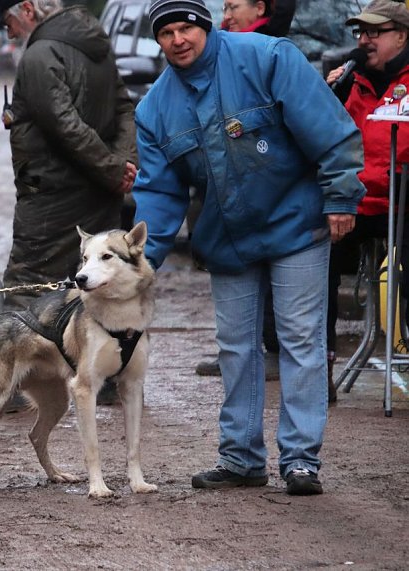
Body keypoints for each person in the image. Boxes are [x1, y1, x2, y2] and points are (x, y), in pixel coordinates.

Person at [133, 0, 364, 495]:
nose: (178, 40)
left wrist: (341, 196)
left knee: (300, 340)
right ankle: (240, 458)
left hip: (296, 222)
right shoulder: (154, 108)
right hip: (228, 238)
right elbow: (159, 193)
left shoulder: (268, 57)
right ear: (158, 41)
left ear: (206, 25)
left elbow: (328, 129)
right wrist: (139, 262)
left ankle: (301, 461)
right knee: (235, 347)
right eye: (166, 33)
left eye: (186, 28)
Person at [0, 0, 137, 406]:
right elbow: (125, 108)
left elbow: (63, 125)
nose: (8, 32)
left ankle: (2, 388)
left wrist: (114, 168)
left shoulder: (40, 54)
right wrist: (122, 165)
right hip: (99, 192)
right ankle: (108, 378)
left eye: (8, 21)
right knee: (101, 283)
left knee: (25, 283)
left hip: (52, 193)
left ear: (29, 8)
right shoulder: (97, 44)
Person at [194, 0, 297, 380]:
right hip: (229, 192)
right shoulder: (218, 55)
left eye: (233, 6)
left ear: (260, 8)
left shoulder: (272, 53)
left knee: (277, 280)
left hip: (272, 191)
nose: (225, 17)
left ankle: (274, 351)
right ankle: (245, 349)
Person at [325, 0, 409, 404]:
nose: (364, 40)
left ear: (402, 36)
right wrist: (328, 94)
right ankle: (318, 365)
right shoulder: (349, 80)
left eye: (375, 32)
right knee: (311, 259)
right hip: (354, 203)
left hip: (404, 201)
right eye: (360, 32)